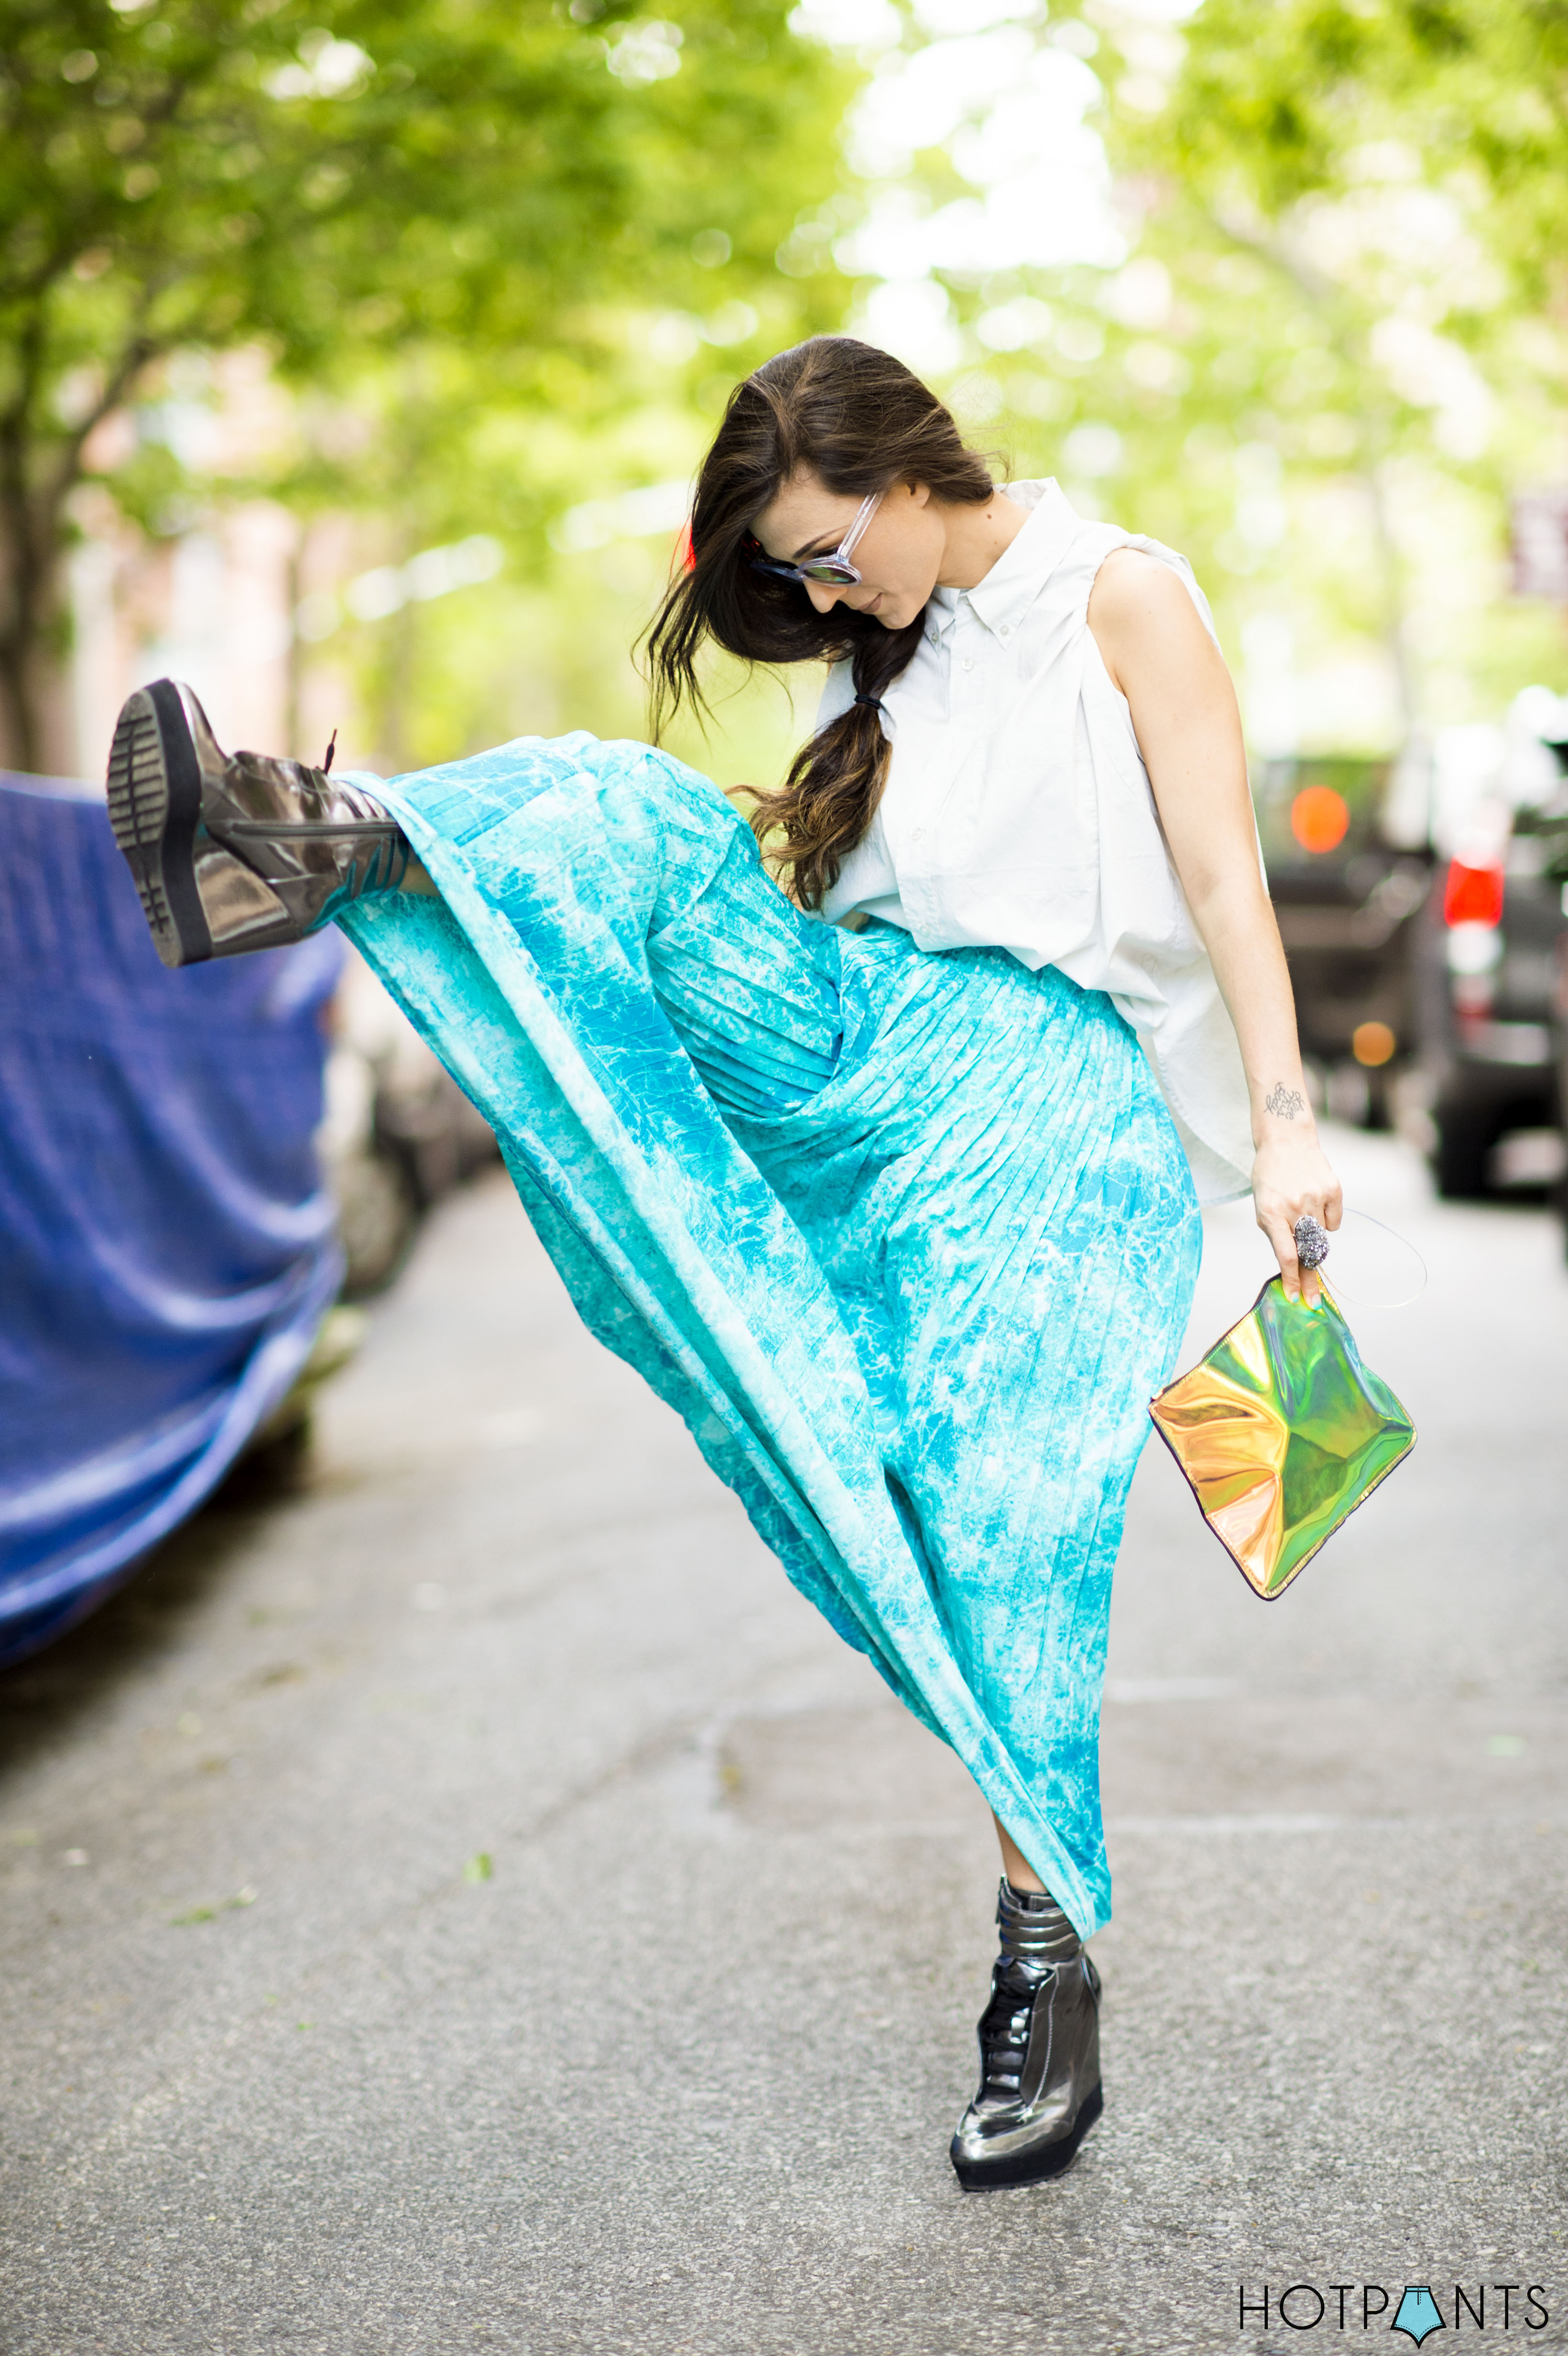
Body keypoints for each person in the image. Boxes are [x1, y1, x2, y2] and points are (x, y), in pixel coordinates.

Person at [106, 335, 1340, 2191]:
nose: (831, 593)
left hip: (1057, 1098)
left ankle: (1038, 1970)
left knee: (1004, 1514)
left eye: (836, 549)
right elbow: (813, 873)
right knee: (627, 808)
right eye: (801, 573)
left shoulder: (1125, 595)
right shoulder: (886, 647)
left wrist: (1289, 1119)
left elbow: (1227, 878)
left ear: (911, 460)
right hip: (865, 1040)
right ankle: (309, 835)